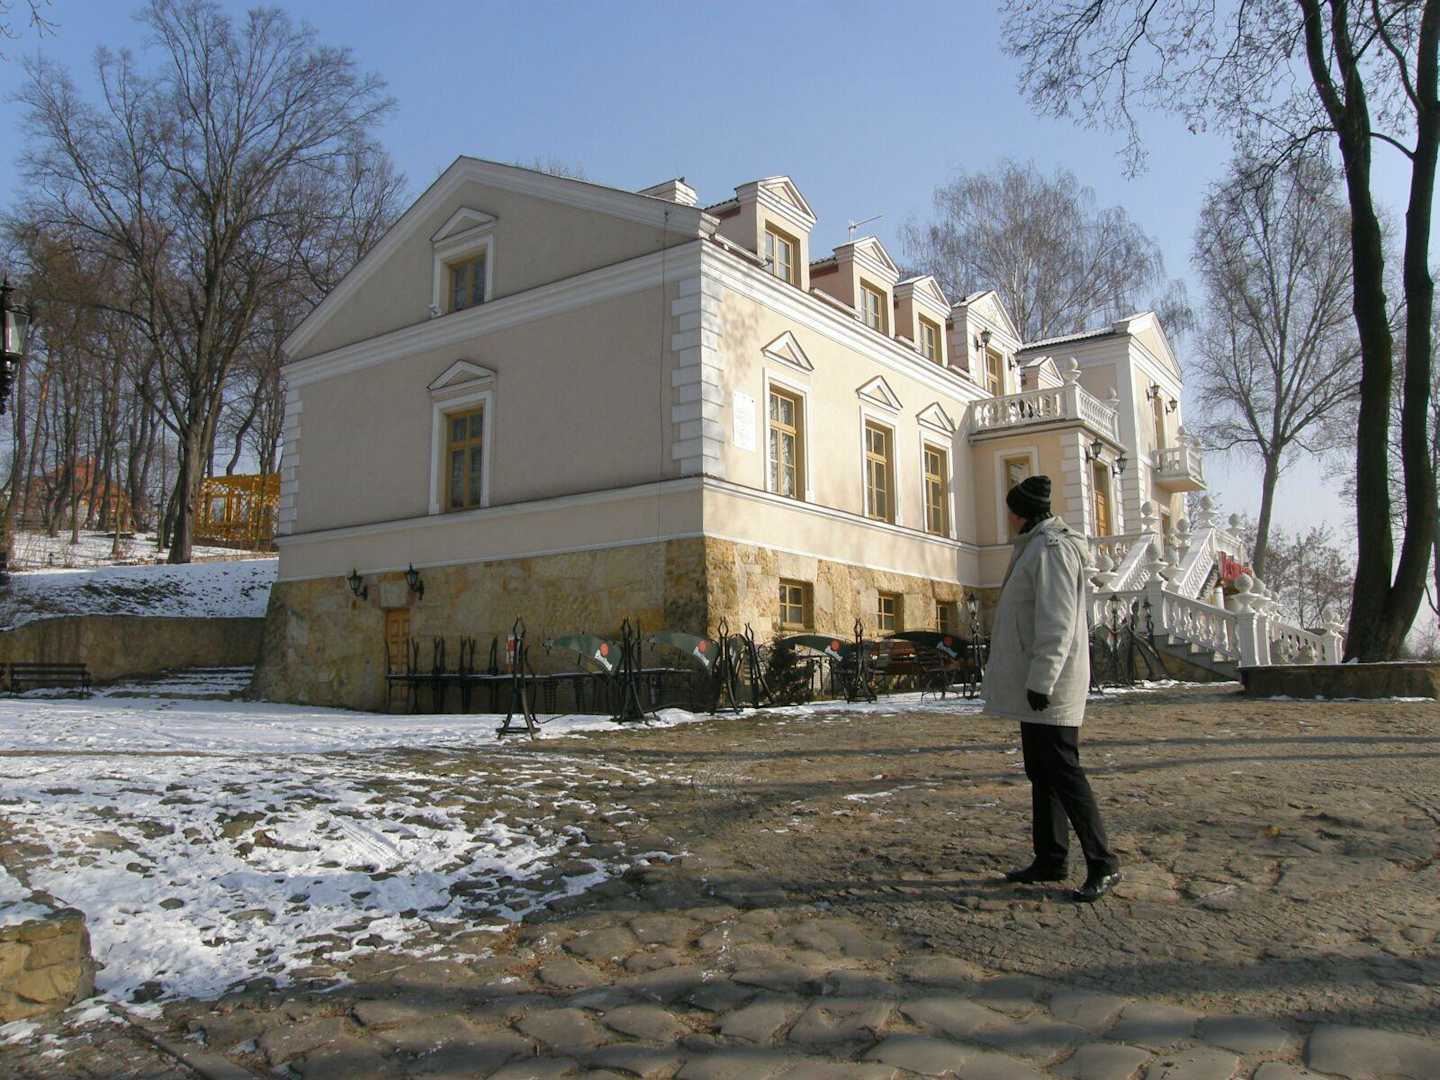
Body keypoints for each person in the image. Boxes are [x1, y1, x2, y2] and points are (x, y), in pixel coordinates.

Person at [982, 474, 1121, 903]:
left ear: (1021, 512)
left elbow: (1056, 620)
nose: (1007, 516)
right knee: (1041, 771)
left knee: (1063, 771)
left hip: (1051, 685)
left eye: (1010, 509)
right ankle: (1050, 857)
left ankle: (1103, 862)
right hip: (1037, 682)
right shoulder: (1033, 546)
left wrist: (1043, 679)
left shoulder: (1052, 550)